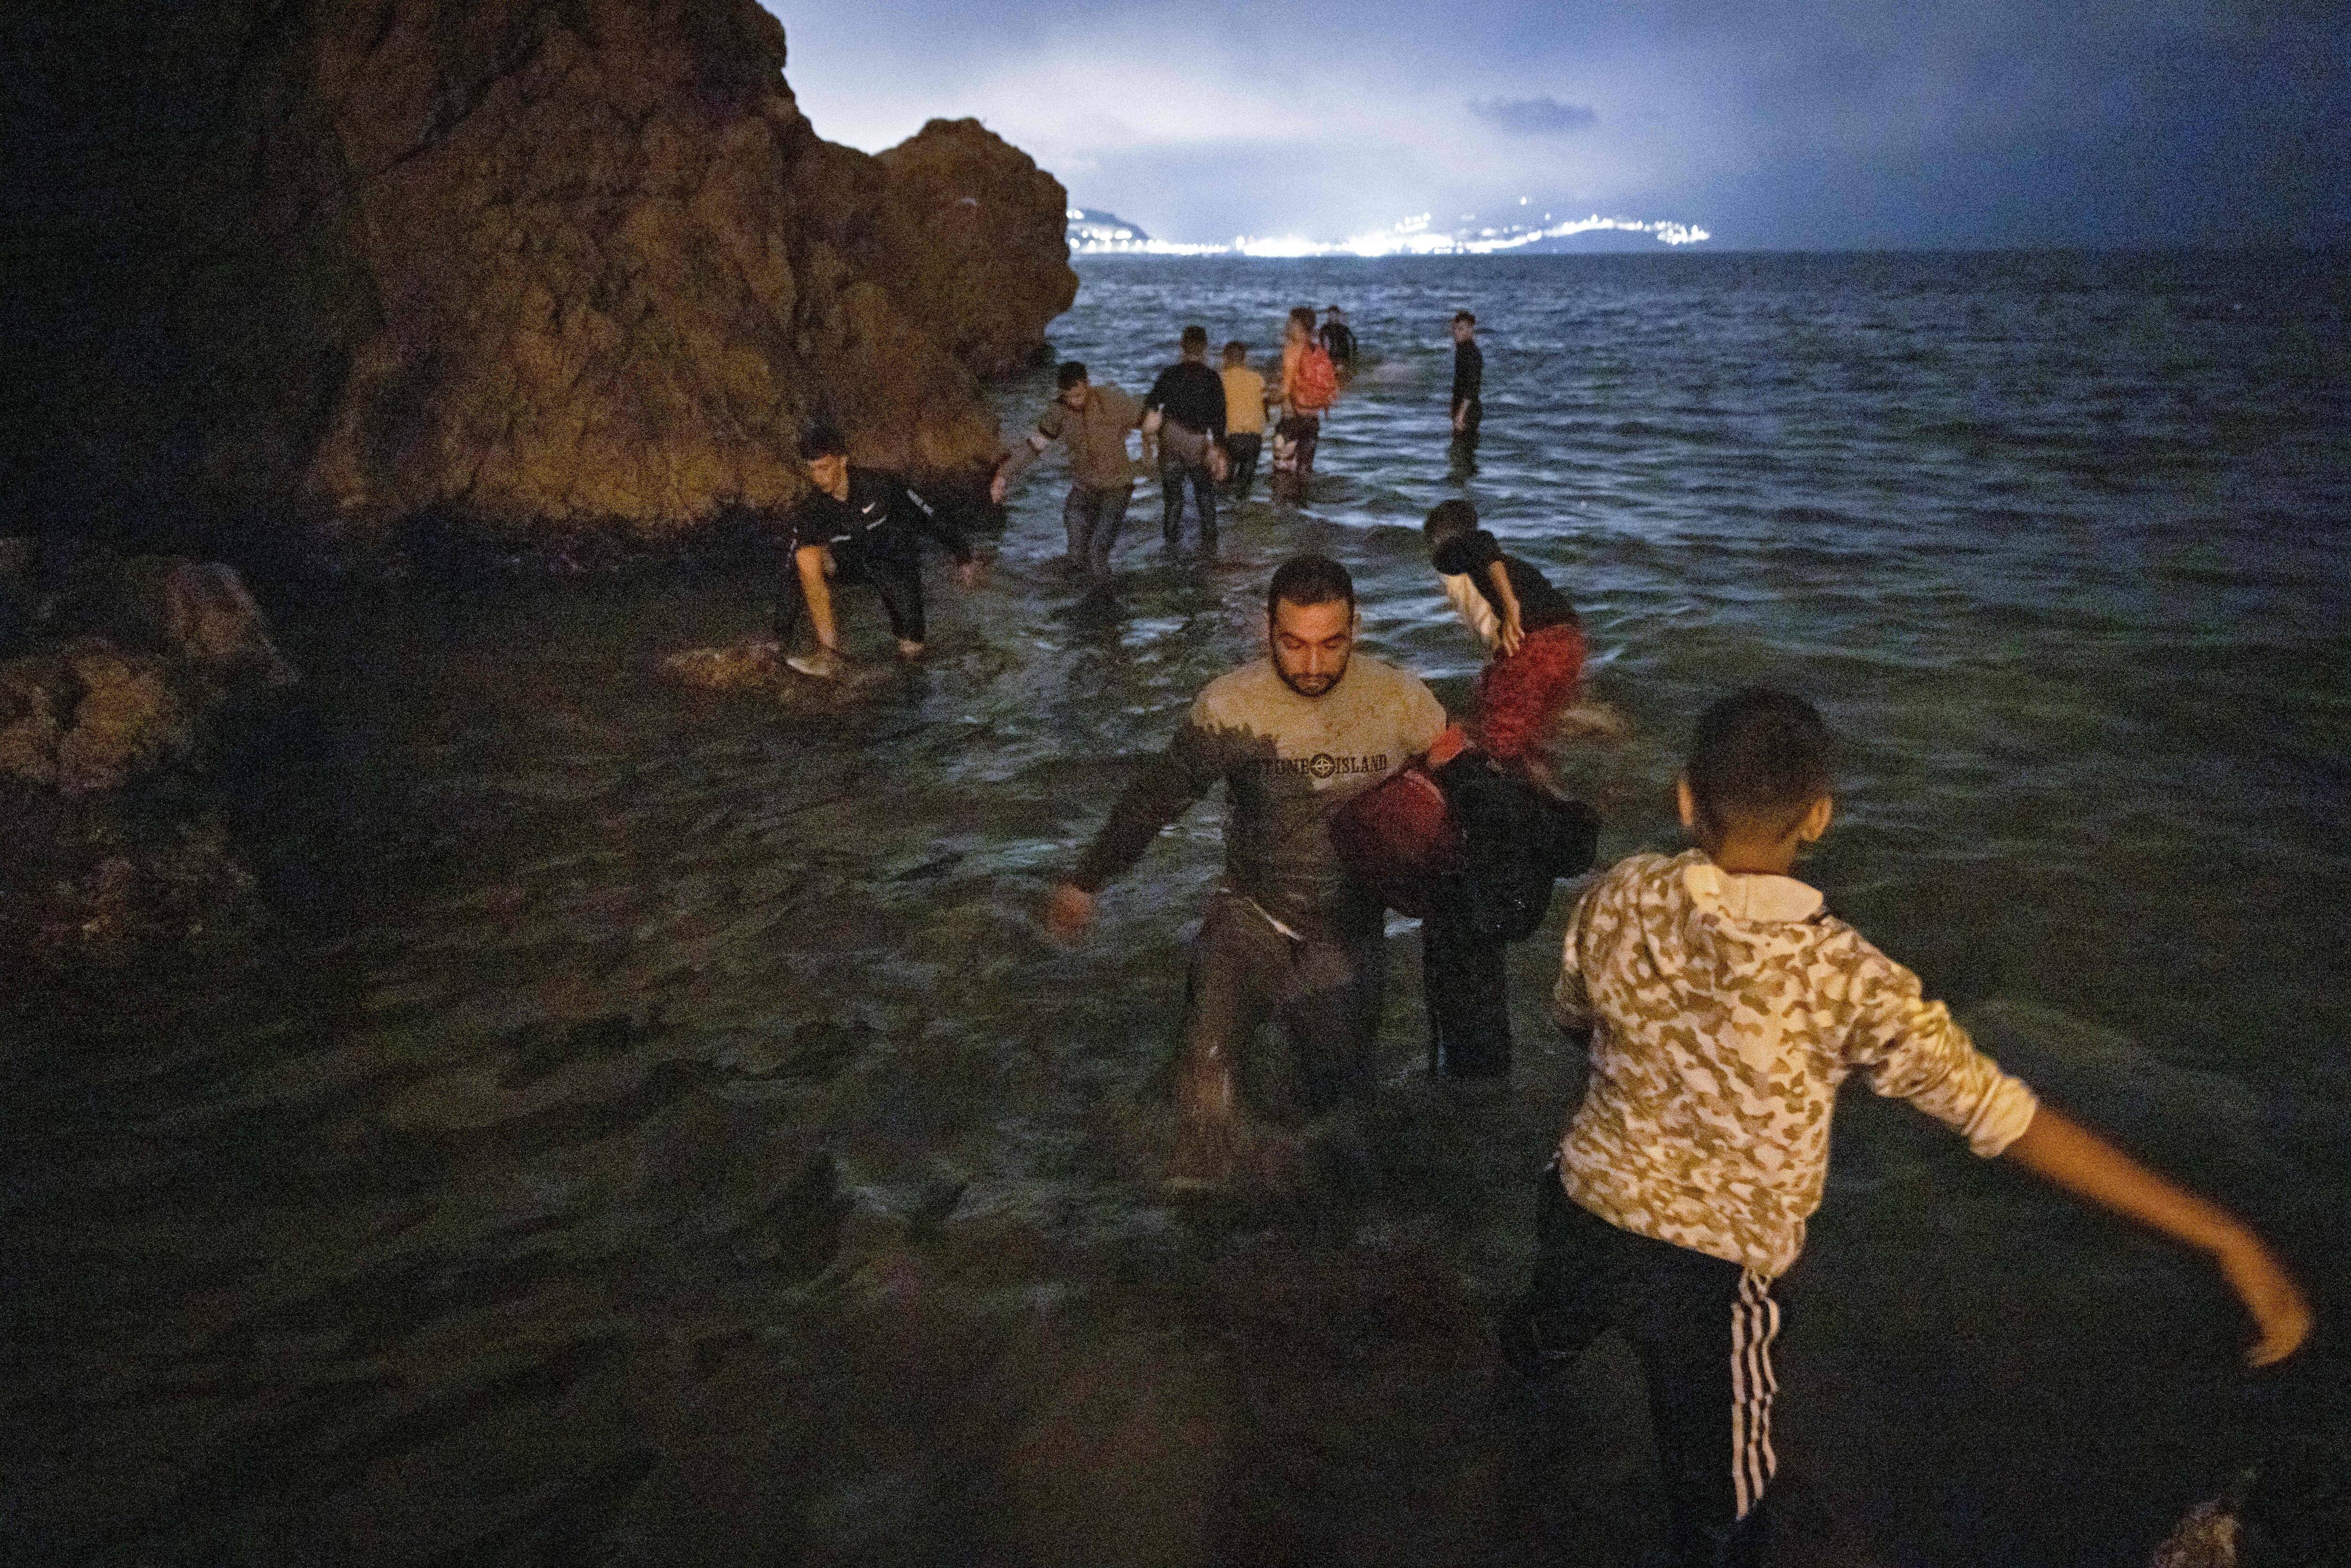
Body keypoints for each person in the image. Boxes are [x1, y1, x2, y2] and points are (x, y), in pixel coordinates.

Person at [1507, 688, 2314, 1568]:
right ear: (1818, 815)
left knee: (1544, 1335)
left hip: (1582, 1201)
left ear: (1685, 799)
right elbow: (2010, 1121)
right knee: (1722, 1506)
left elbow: (1575, 1019)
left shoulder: (1621, 893)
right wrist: (2225, 1236)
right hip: (1710, 1282)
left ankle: (1507, 1416)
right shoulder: (1853, 980)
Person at [1042, 555, 1448, 1188]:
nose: (1312, 665)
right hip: (1249, 913)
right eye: (1293, 644)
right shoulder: (1231, 705)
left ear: (1356, 628)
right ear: (1268, 630)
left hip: (1346, 930)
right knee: (1203, 1071)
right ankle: (1194, 1227)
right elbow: (1158, 796)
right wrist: (1087, 880)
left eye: (1330, 644)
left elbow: (1471, 790)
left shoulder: (1404, 702)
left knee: (1340, 1110)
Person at [779, 425, 981, 680]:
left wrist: (964, 556)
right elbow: (791, 573)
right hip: (852, 561)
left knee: (912, 650)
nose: (819, 478)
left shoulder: (880, 485)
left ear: (842, 461)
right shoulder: (812, 507)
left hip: (895, 563)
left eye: (824, 468)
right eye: (812, 470)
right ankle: (829, 653)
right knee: (805, 558)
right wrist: (780, 635)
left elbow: (928, 515)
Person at [1423, 499, 1585, 791]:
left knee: (1497, 739)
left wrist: (1511, 610)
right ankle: (1551, 787)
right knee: (1517, 731)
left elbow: (1483, 546)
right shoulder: (1511, 567)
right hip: (1568, 642)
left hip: (1539, 642)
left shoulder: (1464, 548)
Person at [992, 361, 1144, 583]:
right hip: (1083, 490)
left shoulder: (1110, 400)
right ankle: (1079, 599)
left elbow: (1152, 422)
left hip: (1117, 488)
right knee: (1076, 557)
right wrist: (1004, 475)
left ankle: (1107, 607)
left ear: (1087, 384)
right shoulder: (1058, 411)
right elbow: (1034, 447)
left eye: (1079, 396)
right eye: (1069, 398)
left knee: (1097, 554)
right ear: (1061, 393)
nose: (1075, 402)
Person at [1142, 324, 1228, 548]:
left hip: (1170, 438)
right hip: (1197, 441)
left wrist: (1148, 440)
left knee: (1173, 499)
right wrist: (1220, 451)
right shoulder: (1212, 378)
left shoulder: (1169, 374)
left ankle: (1170, 548)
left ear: (1182, 347)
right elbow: (1219, 420)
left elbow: (1150, 404)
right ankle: (1210, 547)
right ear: (1205, 349)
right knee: (1205, 497)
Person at [1270, 307, 1339, 502]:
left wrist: (1267, 399)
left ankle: (1284, 519)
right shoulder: (1319, 350)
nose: (1287, 326)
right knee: (1304, 471)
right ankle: (1303, 515)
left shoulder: (1292, 350)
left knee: (1282, 474)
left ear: (1299, 326)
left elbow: (1285, 390)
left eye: (1290, 322)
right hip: (1312, 420)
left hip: (1292, 420)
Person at [1219, 341, 1268, 501]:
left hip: (1232, 438)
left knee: (1224, 484)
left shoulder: (1221, 379)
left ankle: (1225, 516)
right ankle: (1243, 513)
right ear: (1245, 359)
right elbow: (1265, 403)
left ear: (1225, 359)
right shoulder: (1257, 378)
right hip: (1254, 438)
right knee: (1244, 487)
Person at [1450, 310, 1483, 450]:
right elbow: (1460, 383)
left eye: (1461, 329)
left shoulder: (1471, 354)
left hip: (1469, 410)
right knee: (1459, 452)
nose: (1457, 333)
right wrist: (1454, 406)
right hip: (1463, 407)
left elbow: (1472, 386)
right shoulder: (1462, 351)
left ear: (1470, 330)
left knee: (1464, 453)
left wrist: (1461, 414)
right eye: (1455, 329)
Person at [1318, 305, 1358, 374]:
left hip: (1342, 357)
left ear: (1338, 316)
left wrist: (1351, 360)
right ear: (1329, 316)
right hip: (1330, 357)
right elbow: (1320, 343)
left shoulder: (1343, 328)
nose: (1332, 317)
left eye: (1334, 314)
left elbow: (1352, 343)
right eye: (1330, 315)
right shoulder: (1324, 328)